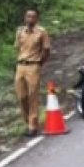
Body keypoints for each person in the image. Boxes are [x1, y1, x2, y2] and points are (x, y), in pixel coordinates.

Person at [14, 8, 51, 137]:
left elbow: (46, 50)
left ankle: (32, 125)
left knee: (32, 96)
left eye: (33, 17)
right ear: (25, 18)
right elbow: (18, 48)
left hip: (33, 66)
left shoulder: (41, 32)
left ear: (37, 19)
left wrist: (40, 62)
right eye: (28, 16)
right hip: (20, 66)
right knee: (21, 96)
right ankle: (27, 122)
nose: (30, 19)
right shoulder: (20, 32)